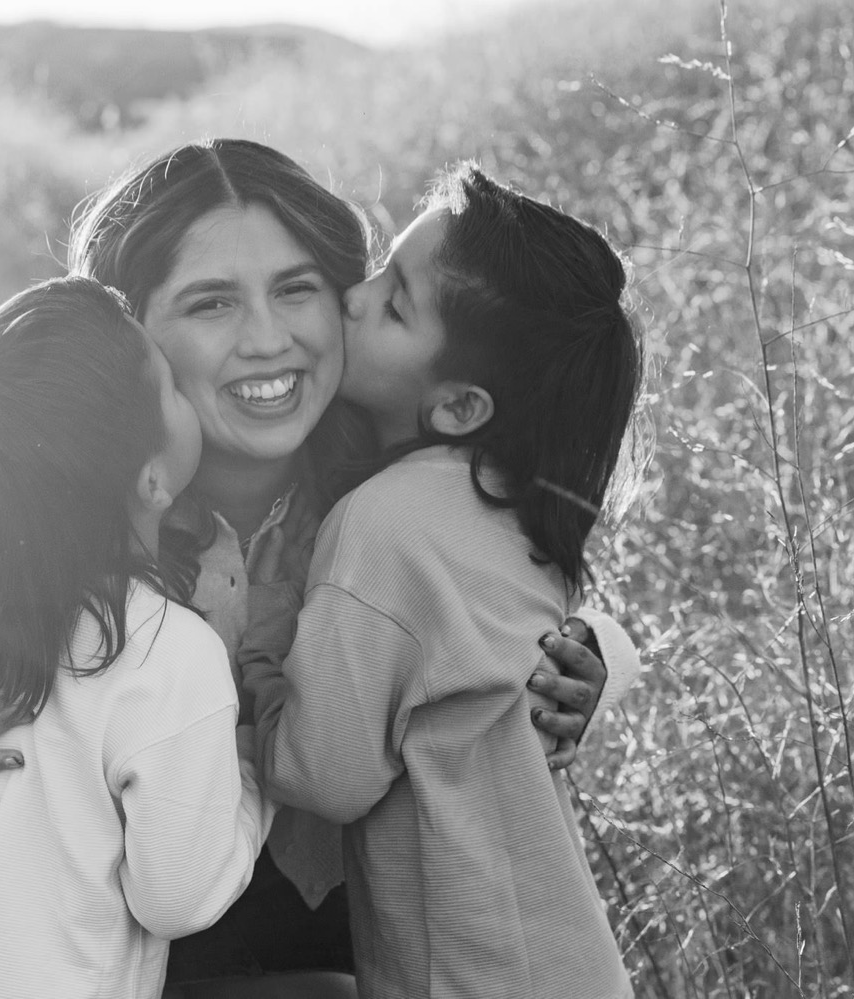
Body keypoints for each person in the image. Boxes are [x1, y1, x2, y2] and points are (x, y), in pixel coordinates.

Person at [0, 139, 638, 996]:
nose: (269, 340)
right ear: (125, 326)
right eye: (212, 303)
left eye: (298, 290)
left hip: (288, 873)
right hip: (45, 871)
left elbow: (528, 573)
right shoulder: (39, 433)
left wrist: (588, 655)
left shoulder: (392, 449)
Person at [240, 165, 641, 998]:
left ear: (459, 406)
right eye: (383, 264)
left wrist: (253, 662)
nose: (355, 295)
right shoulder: (512, 508)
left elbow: (327, 774)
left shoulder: (384, 522)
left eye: (393, 303)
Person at [0, 276, 270, 997]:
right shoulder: (174, 653)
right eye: (173, 391)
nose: (186, 390)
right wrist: (252, 775)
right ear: (152, 481)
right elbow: (177, 899)